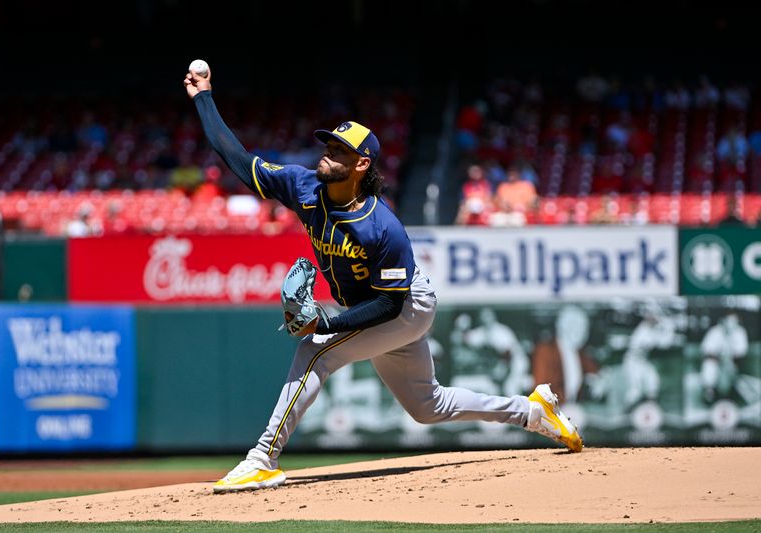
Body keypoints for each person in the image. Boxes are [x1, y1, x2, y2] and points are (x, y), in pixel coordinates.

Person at [184, 68, 583, 493]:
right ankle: (531, 410)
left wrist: (328, 325)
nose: (327, 152)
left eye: (339, 150)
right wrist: (203, 97)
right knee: (428, 406)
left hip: (407, 305)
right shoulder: (302, 187)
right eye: (329, 144)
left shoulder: (380, 226)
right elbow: (239, 160)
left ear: (361, 163)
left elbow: (390, 305)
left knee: (315, 351)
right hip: (378, 309)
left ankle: (263, 458)